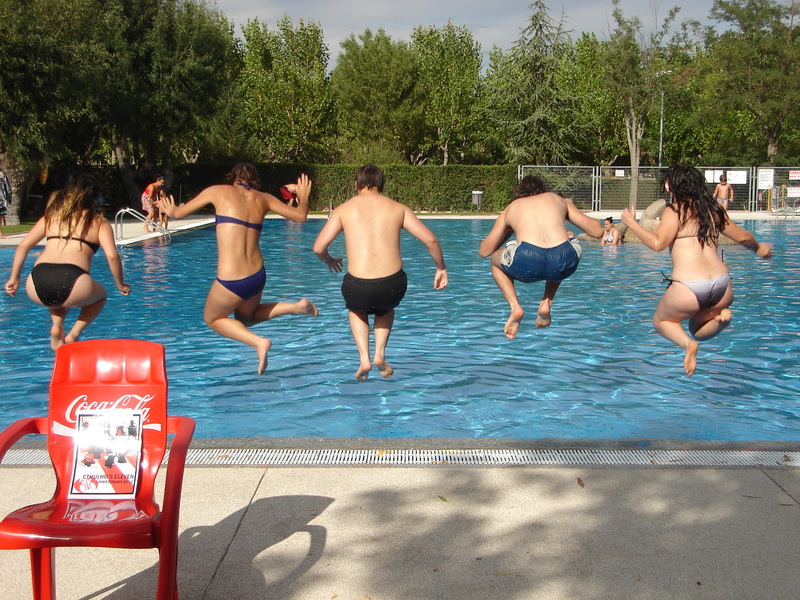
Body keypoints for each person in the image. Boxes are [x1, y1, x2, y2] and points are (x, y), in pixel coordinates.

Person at [158, 163, 318, 374]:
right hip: (257, 275)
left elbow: (179, 213)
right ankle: (297, 307)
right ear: (256, 181)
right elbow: (300, 216)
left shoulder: (217, 191)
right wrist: (303, 196)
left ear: (232, 178)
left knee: (212, 319)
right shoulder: (264, 198)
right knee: (246, 319)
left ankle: (258, 343)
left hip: (231, 279)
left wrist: (171, 210)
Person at [621, 165, 772, 376]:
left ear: (672, 185)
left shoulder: (674, 211)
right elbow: (744, 237)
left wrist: (631, 223)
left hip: (688, 287)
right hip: (722, 285)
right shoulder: (713, 210)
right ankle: (722, 319)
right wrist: (759, 249)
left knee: (661, 321)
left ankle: (687, 345)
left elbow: (658, 244)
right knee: (698, 328)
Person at [312, 164, 448, 380]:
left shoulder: (343, 210)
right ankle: (380, 354)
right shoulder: (399, 208)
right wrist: (441, 268)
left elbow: (318, 247)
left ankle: (364, 358)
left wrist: (329, 260)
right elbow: (430, 239)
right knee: (385, 309)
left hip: (358, 285)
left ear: (356, 185)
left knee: (357, 310)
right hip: (392, 284)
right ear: (381, 185)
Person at [4, 172, 131, 350]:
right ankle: (73, 335)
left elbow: (23, 246)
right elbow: (112, 255)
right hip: (74, 278)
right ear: (94, 198)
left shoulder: (50, 217)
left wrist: (14, 278)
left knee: (57, 299)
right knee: (101, 296)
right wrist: (120, 284)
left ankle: (57, 326)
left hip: (36, 282)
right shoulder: (99, 223)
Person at [479, 175, 604, 338]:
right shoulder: (558, 200)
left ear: (518, 194)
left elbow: (484, 251)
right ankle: (546, 302)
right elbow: (597, 231)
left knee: (495, 260)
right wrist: (570, 206)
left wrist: (509, 228)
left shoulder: (513, 207)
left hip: (527, 261)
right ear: (544, 190)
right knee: (562, 243)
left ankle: (515, 307)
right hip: (564, 260)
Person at [0, 168, 10, 238]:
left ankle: (0, 233)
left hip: (1, 199)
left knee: (0, 216)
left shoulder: (2, 172)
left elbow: (6, 186)